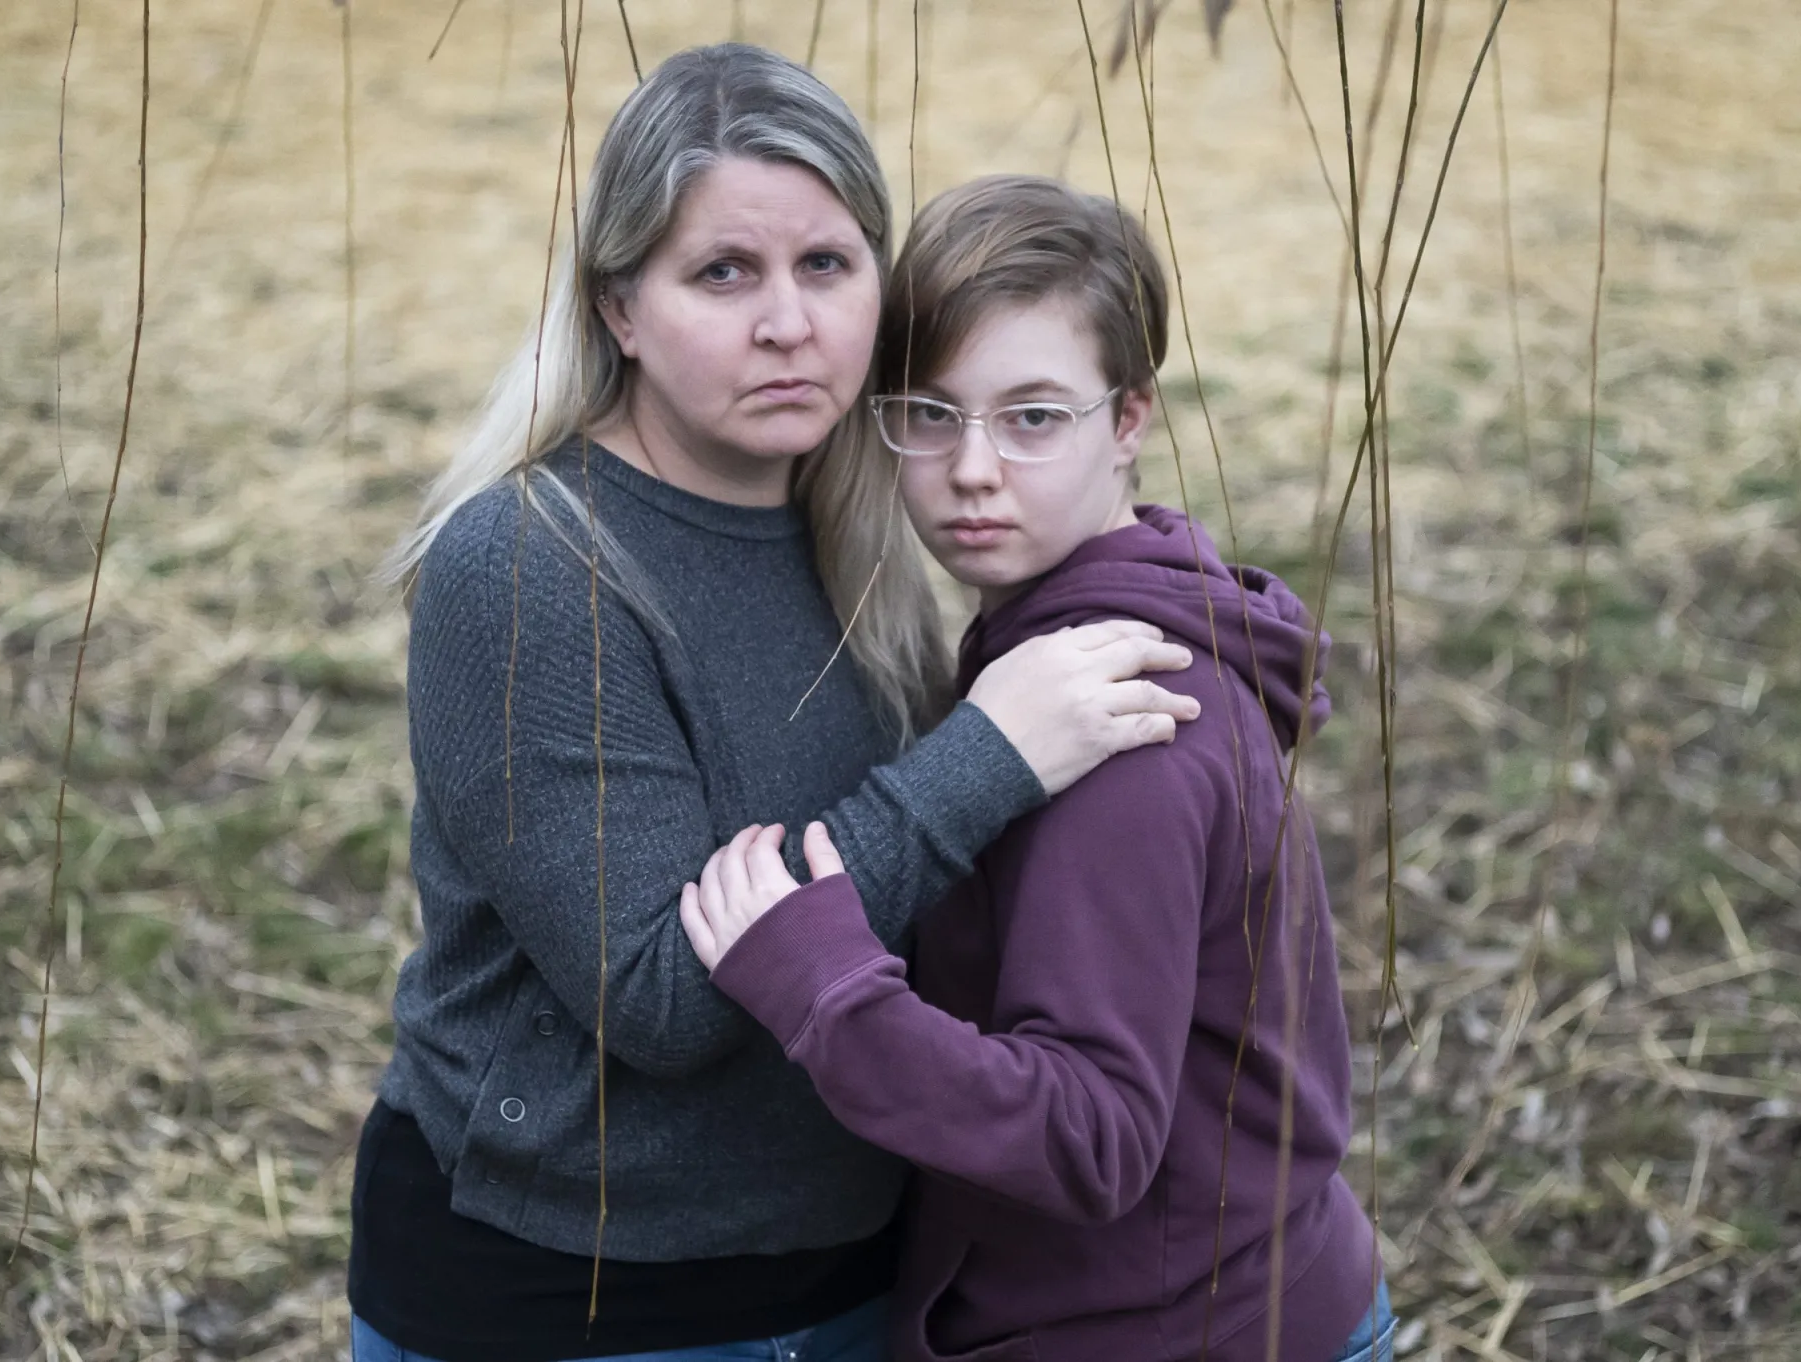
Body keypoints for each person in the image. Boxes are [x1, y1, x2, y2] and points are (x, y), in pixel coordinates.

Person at [348, 49, 1203, 1362]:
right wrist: (985, 759)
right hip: (573, 1297)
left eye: (827, 264)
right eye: (723, 273)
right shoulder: (528, 568)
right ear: (621, 308)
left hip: (854, 1275)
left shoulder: (854, 533)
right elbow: (663, 999)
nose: (789, 323)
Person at [681, 176, 1392, 1362]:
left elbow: (1090, 1135)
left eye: (1032, 417)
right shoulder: (1080, 641)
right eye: (928, 412)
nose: (970, 470)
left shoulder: (1118, 729)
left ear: (1127, 419)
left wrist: (827, 989)